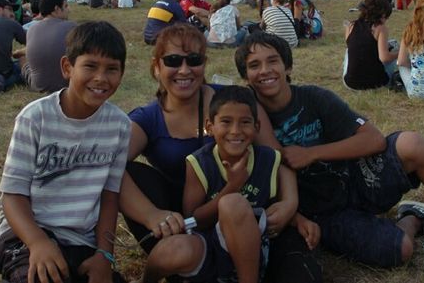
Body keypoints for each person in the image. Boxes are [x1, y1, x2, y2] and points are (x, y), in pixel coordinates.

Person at [234, 31, 424, 267]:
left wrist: (312, 153)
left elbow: (374, 140)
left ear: (287, 65)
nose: (265, 71)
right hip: (323, 211)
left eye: (272, 61)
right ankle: (413, 219)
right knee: (400, 251)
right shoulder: (247, 116)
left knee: (412, 144)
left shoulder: (314, 98)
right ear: (245, 76)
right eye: (254, 65)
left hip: (357, 179)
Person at [121, 24, 321, 283]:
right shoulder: (147, 118)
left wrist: (290, 205)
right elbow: (110, 167)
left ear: (204, 64)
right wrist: (151, 215)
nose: (184, 70)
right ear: (157, 67)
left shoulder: (233, 103)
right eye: (173, 60)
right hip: (187, 220)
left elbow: (276, 157)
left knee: (301, 273)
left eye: (193, 60)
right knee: (131, 173)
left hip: (250, 208)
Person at [0, 21, 129, 283]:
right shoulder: (35, 118)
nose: (101, 78)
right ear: (67, 67)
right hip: (25, 234)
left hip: (80, 241)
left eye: (112, 69)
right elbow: (12, 196)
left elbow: (110, 198)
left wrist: (104, 256)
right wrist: (38, 242)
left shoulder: (119, 125)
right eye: (90, 66)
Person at [134, 86, 291, 283]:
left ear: (257, 127)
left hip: (251, 255)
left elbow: (287, 174)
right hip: (209, 247)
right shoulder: (199, 163)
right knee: (172, 249)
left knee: (233, 205)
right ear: (210, 126)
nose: (235, 131)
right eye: (226, 122)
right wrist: (232, 187)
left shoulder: (267, 160)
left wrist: (293, 209)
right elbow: (193, 219)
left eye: (245, 122)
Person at [19, 0, 77, 93]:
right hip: (68, 82)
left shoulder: (31, 29)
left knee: (22, 59)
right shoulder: (72, 27)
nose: (69, 10)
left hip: (38, 86)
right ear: (56, 9)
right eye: (66, 6)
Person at [343, 0, 398, 90]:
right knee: (396, 47)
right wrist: (399, 54)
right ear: (382, 15)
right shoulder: (380, 28)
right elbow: (384, 58)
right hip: (375, 83)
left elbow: (354, 48)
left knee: (349, 51)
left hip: (351, 83)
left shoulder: (351, 25)